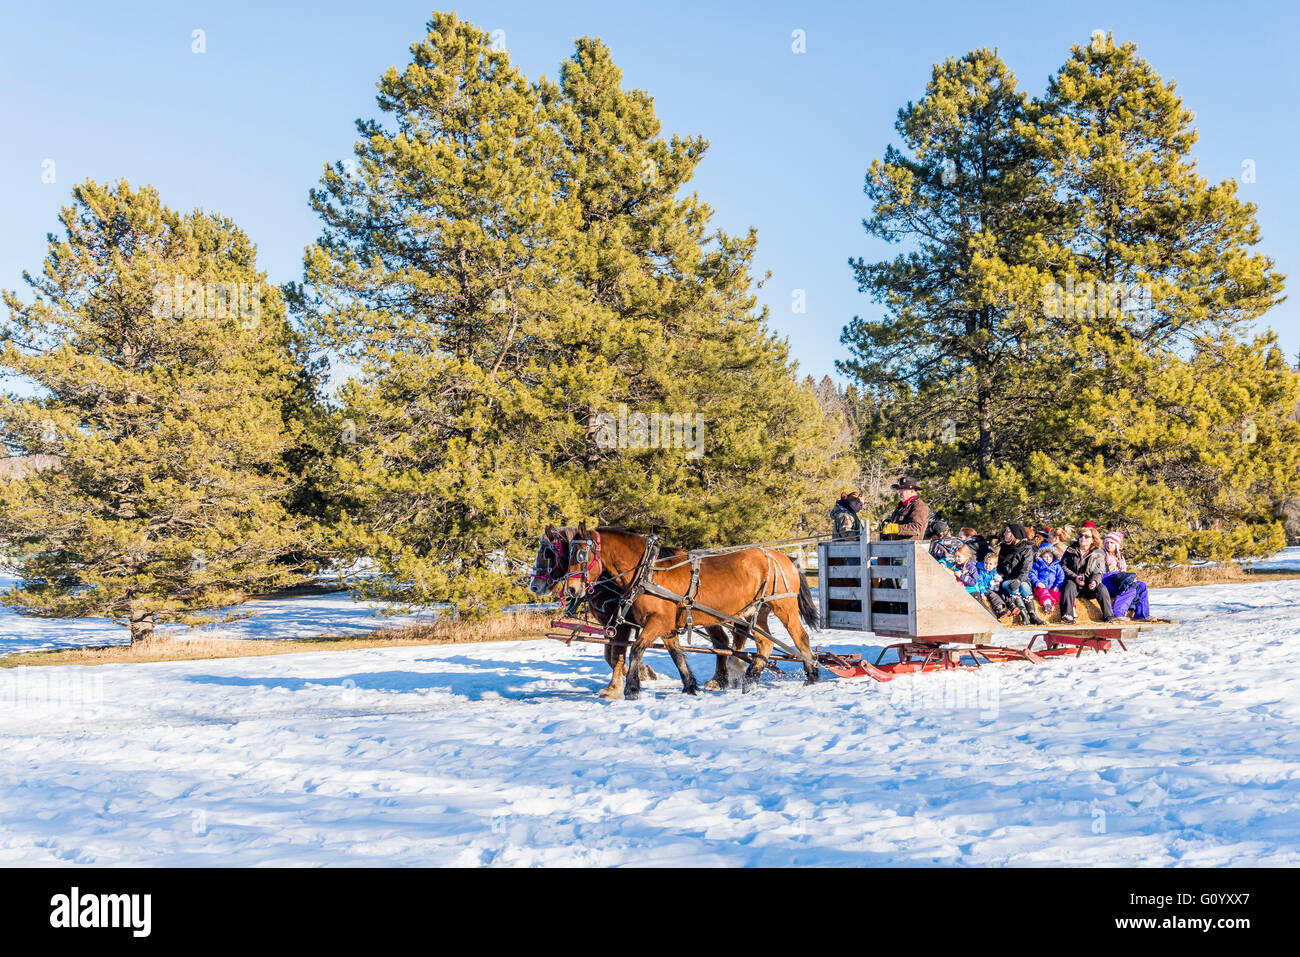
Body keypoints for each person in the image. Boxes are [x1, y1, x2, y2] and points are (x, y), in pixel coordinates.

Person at [1059, 523, 1114, 623]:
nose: (1082, 538)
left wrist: (1094, 581)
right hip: (1074, 583)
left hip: (1089, 586)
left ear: (1093, 539)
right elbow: (1063, 566)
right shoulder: (1071, 549)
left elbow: (1099, 571)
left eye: (1087, 536)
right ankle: (1067, 616)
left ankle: (1109, 616)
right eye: (1081, 536)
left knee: (1101, 588)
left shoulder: (1098, 552)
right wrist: (1075, 577)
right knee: (1069, 585)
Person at [997, 524, 1046, 625]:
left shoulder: (1027, 549)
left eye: (1008, 531)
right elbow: (1000, 569)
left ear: (1016, 534)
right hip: (1006, 580)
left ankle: (1032, 615)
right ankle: (1023, 615)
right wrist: (999, 578)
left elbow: (1026, 569)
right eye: (1005, 531)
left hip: (1021, 579)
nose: (1004, 534)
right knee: (1012, 586)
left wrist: (1019, 580)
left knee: (1023, 585)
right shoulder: (1004, 548)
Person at [880, 477, 930, 541]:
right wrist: (884, 525)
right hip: (896, 547)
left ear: (912, 491)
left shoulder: (920, 506)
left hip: (910, 548)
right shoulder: (901, 506)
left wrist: (895, 528)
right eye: (899, 490)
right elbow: (897, 524)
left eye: (903, 490)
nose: (899, 493)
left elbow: (916, 528)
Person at [1030, 542, 1065, 617]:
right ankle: (1047, 604)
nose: (1048, 558)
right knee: (1043, 593)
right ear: (1041, 556)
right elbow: (1032, 574)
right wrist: (1037, 582)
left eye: (1050, 556)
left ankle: (1070, 608)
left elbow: (1061, 576)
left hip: (1053, 588)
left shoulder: (1057, 566)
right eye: (1045, 556)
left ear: (1054, 556)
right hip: (1041, 587)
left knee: (1061, 595)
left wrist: (1057, 586)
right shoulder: (1037, 564)